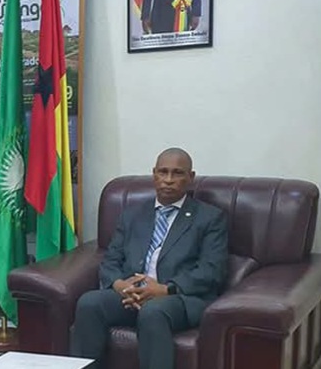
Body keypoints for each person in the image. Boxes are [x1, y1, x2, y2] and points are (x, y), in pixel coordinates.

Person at [69, 148, 228, 369]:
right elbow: (110, 259)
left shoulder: (210, 218)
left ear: (190, 177)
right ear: (154, 174)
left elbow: (212, 270)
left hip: (178, 298)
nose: (168, 180)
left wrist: (165, 289)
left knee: (153, 311)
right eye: (163, 172)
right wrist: (120, 285)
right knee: (90, 303)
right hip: (131, 294)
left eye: (177, 173)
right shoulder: (133, 214)